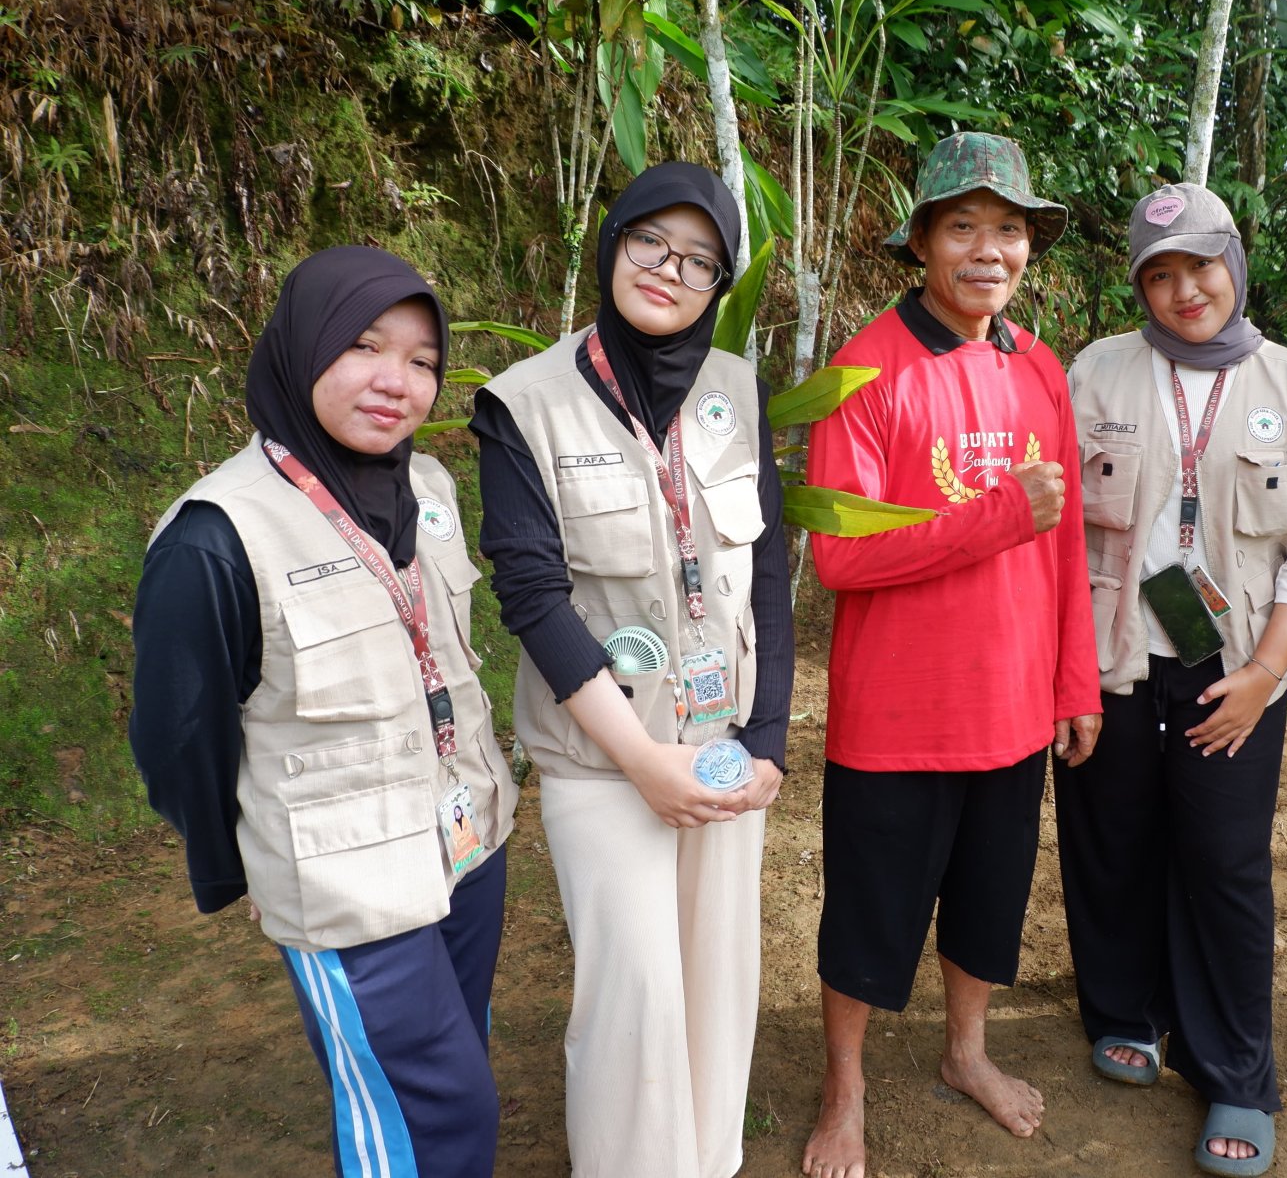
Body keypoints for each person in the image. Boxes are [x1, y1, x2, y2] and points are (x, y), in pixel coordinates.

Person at [129, 246, 518, 1176]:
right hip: (349, 882)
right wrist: (249, 862)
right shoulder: (216, 536)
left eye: (422, 360)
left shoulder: (427, 488)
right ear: (302, 347)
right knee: (434, 1114)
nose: (396, 382)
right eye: (363, 346)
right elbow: (179, 739)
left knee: (459, 1062)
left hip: (468, 843)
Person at [472, 162, 792, 1178]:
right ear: (613, 243)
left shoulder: (735, 389)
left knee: (718, 982)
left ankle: (710, 1162)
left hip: (723, 744)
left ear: (718, 284)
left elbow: (768, 570)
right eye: (651, 241)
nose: (669, 269)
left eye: (699, 259)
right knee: (635, 996)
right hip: (605, 760)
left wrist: (769, 739)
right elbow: (533, 597)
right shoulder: (525, 404)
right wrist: (644, 762)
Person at [799, 132, 1102, 1178]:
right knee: (869, 913)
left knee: (988, 899)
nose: (989, 249)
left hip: (1012, 707)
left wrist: (1073, 682)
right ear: (922, 240)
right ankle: (844, 1089)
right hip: (897, 715)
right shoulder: (863, 370)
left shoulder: (1040, 368)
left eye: (1009, 228)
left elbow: (1064, 543)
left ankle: (966, 1051)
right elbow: (838, 555)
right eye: (963, 225)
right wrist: (997, 515)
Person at [1060, 182, 1287, 1176]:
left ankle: (1235, 1070)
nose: (1186, 291)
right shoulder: (1095, 371)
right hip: (1112, 656)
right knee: (1111, 839)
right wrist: (1067, 672)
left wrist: (1267, 672)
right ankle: (1124, 1010)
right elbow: (1056, 532)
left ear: (1235, 262)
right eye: (1160, 274)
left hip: (1233, 669)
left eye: (1201, 265)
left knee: (1225, 861)